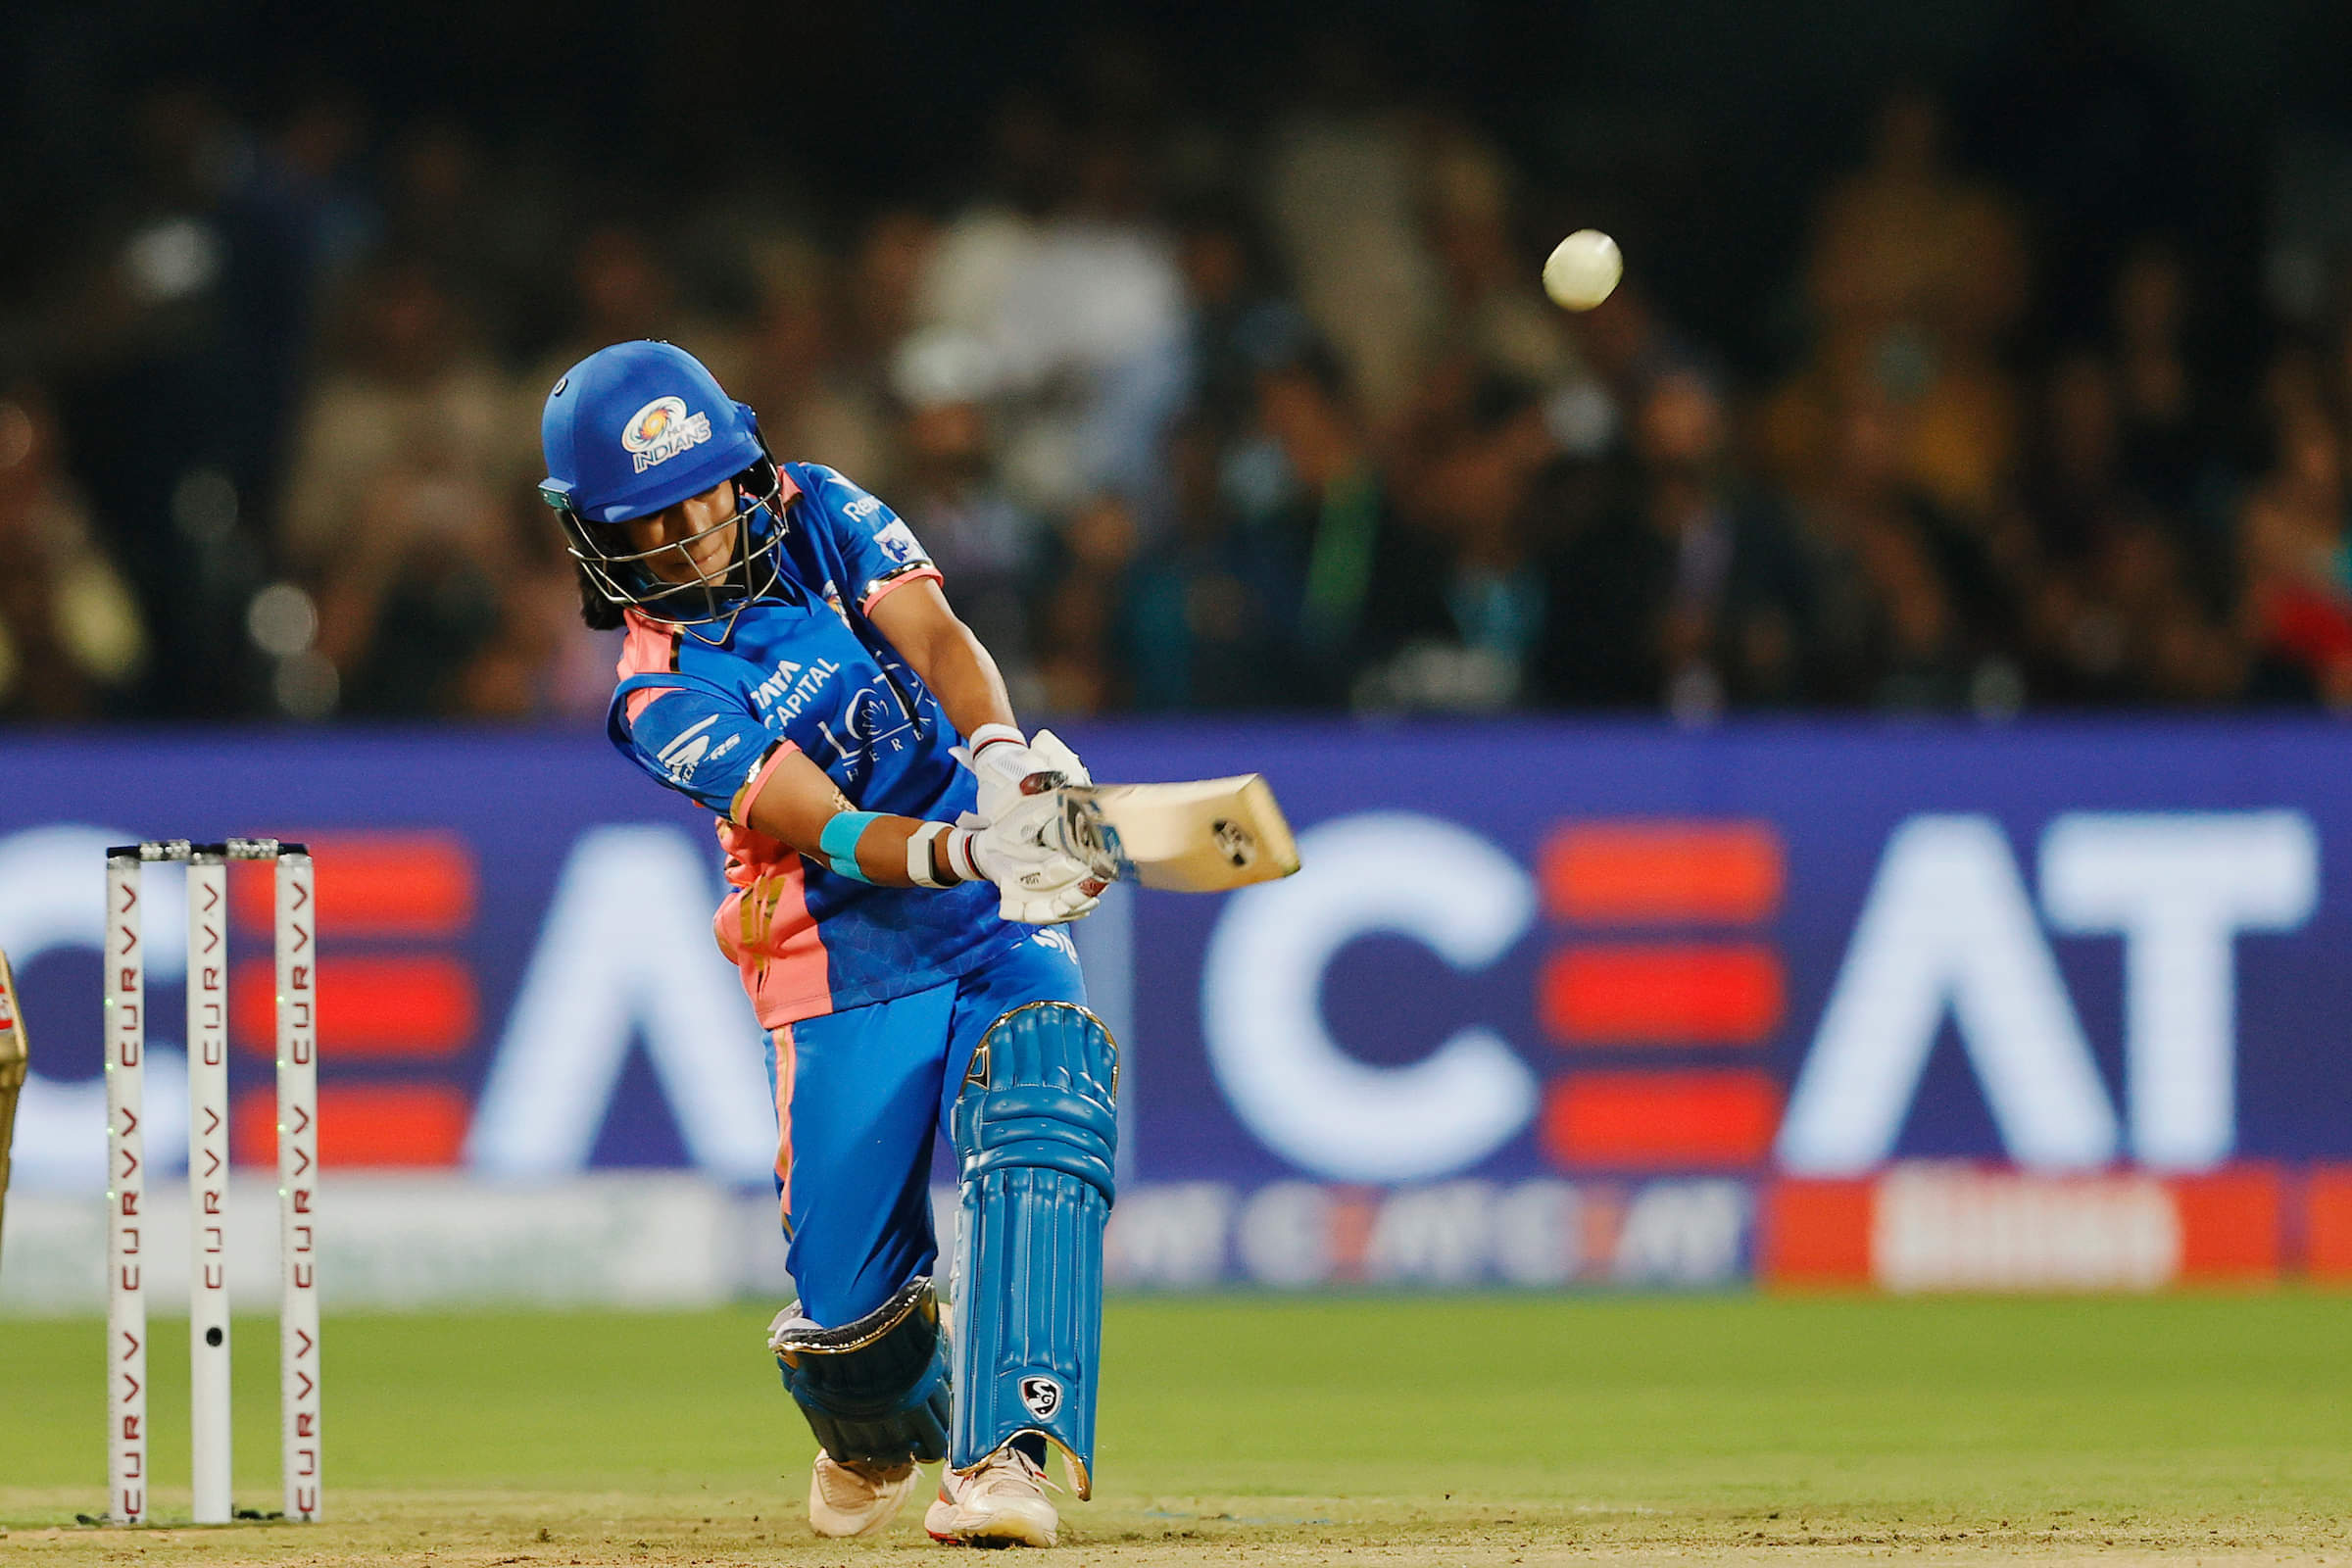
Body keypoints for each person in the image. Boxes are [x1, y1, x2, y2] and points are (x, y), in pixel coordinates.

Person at [537, 341, 1119, 1546]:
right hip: (837, 957)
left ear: (742, 467)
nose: (690, 536)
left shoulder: (820, 508)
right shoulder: (655, 692)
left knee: (1046, 1092)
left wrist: (1005, 766)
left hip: (989, 926)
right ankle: (873, 1418)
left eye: (701, 494)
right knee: (855, 1334)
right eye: (650, 520)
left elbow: (940, 639)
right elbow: (833, 828)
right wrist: (977, 848)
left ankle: (1004, 1458)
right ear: (596, 537)